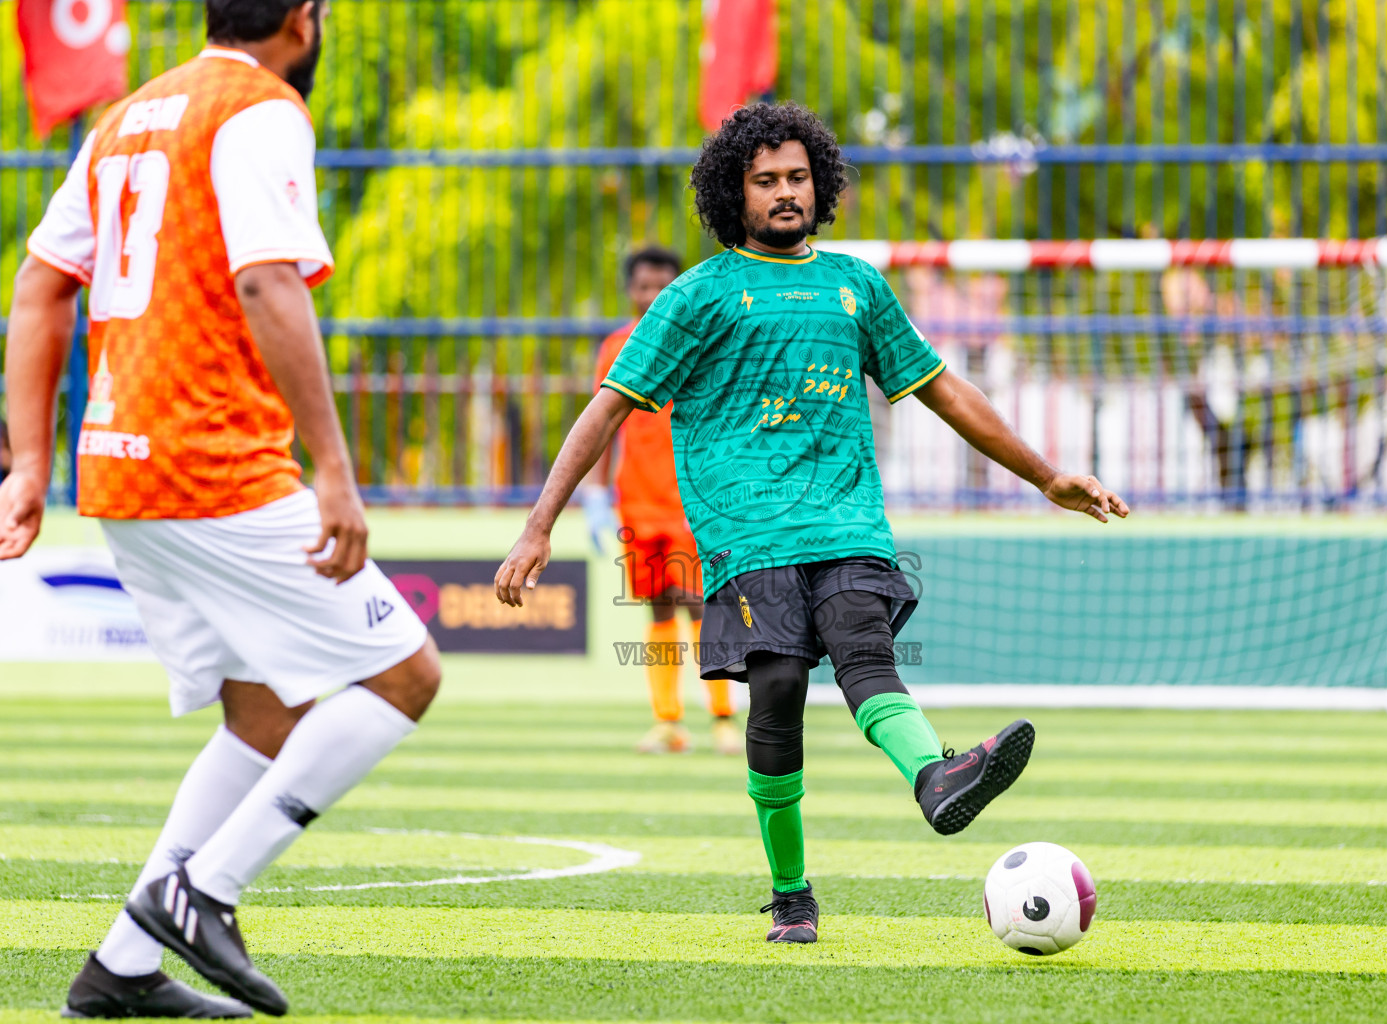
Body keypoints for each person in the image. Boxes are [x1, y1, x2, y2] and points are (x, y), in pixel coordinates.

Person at [494, 103, 1128, 945]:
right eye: (766, 182)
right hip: (746, 536)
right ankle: (791, 893)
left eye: (797, 177)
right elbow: (606, 408)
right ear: (735, 193)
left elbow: (943, 388)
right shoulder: (699, 295)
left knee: (866, 650)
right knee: (781, 691)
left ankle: (937, 778)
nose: (786, 193)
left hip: (850, 524)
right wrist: (538, 527)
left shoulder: (858, 285)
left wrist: (1046, 474)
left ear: (820, 184)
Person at [0, 1, 440, 1016]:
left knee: (266, 709)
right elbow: (267, 280)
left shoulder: (129, 113)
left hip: (115, 464)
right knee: (403, 674)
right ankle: (205, 888)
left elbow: (39, 281)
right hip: (210, 462)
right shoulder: (262, 104)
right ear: (304, 19)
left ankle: (120, 968)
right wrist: (332, 466)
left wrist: (30, 462)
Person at [584, 245, 742, 755]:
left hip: (690, 501)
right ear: (630, 290)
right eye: (643, 286)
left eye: (662, 286)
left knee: (701, 605)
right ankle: (668, 721)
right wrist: (593, 492)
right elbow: (601, 424)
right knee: (655, 608)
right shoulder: (615, 346)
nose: (652, 295)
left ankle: (721, 718)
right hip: (636, 501)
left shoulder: (700, 340)